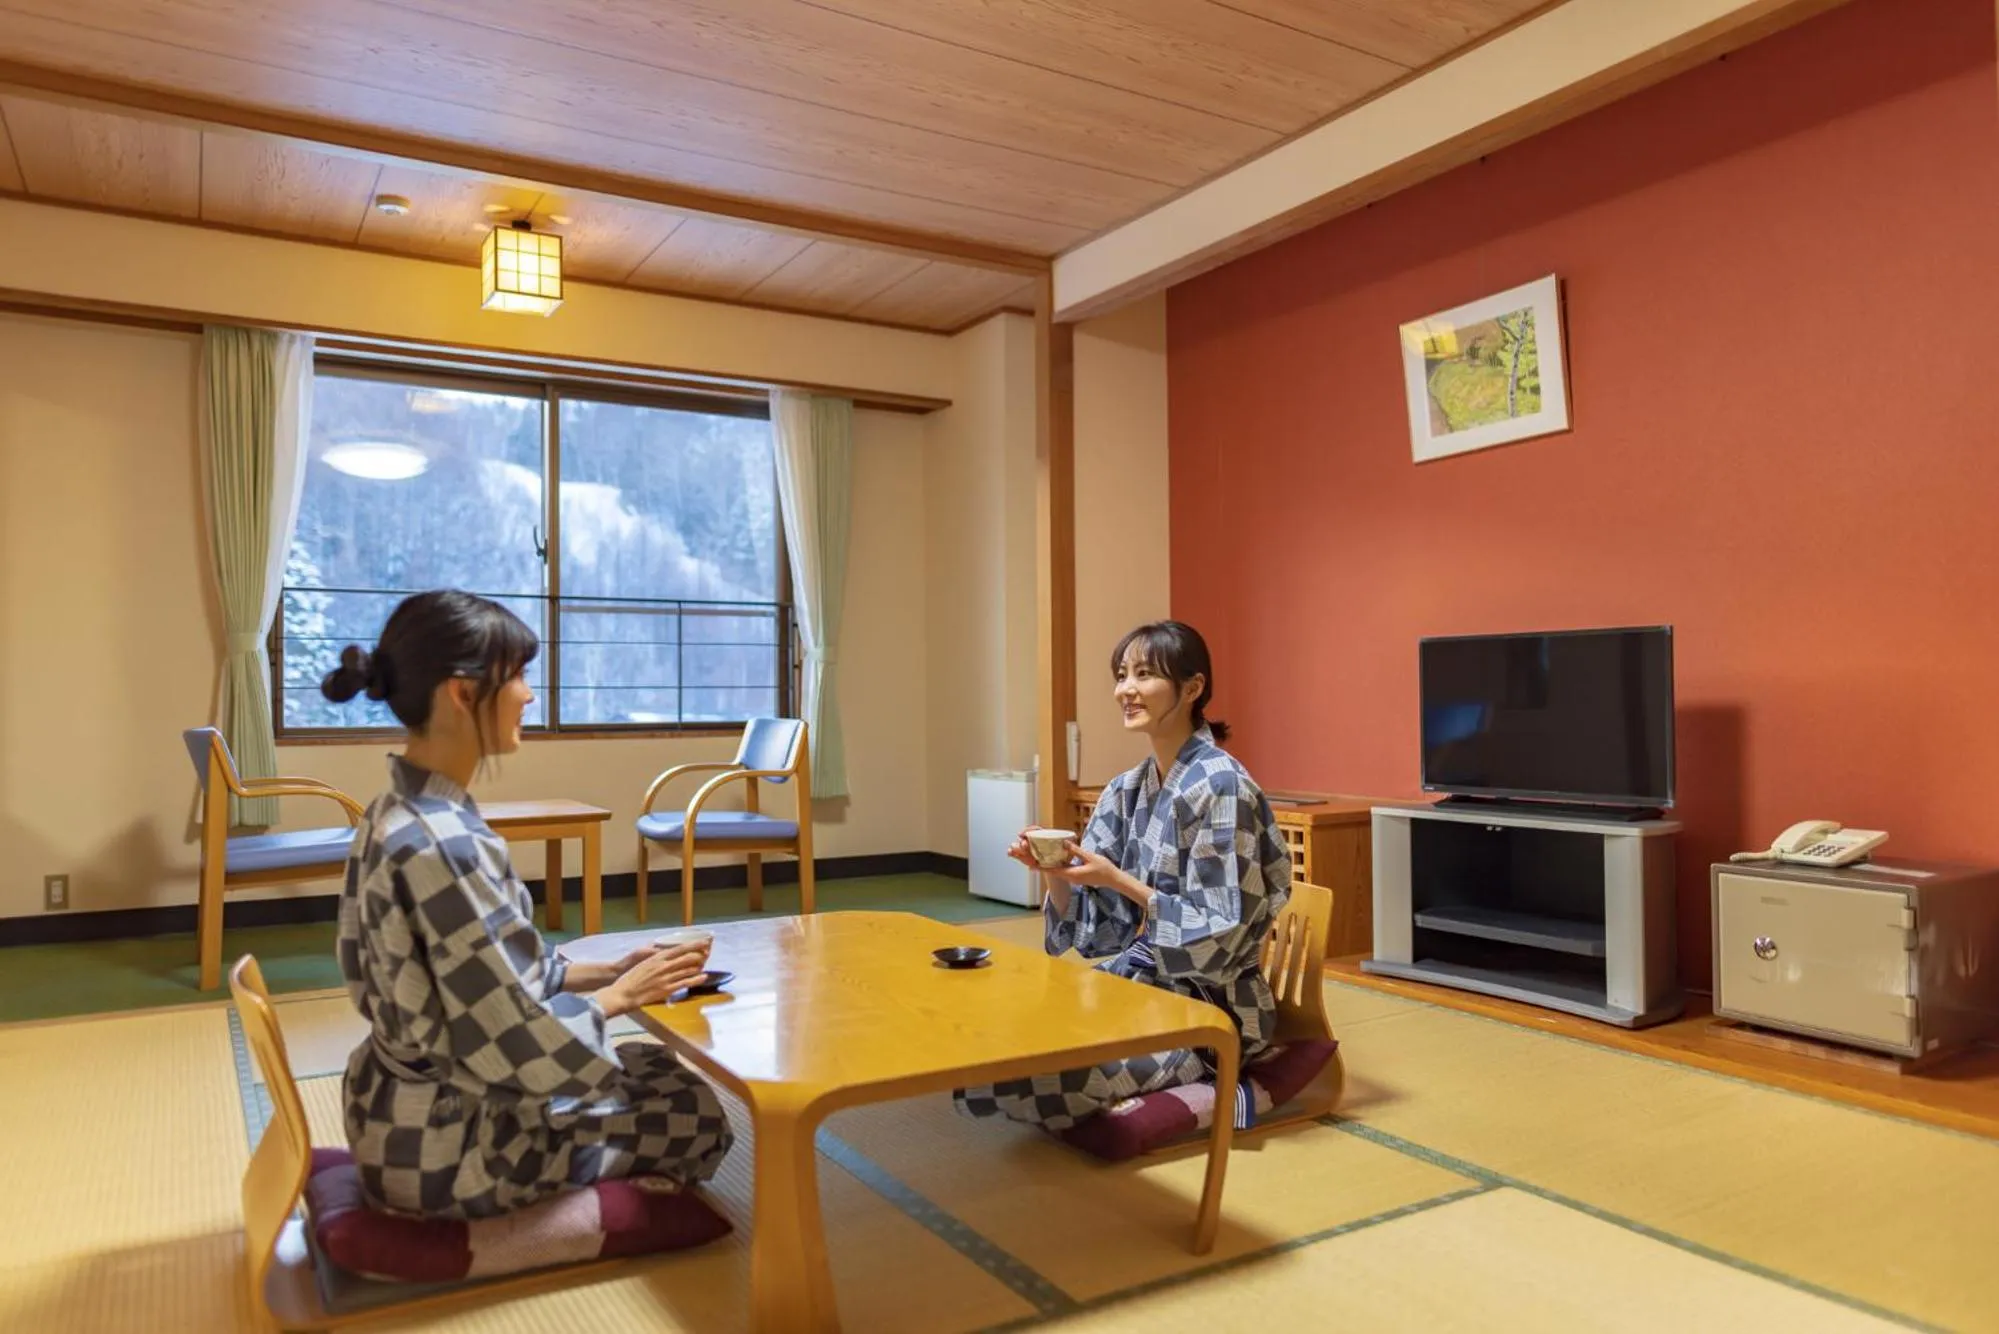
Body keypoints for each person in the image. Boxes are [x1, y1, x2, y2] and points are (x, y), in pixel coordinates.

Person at [323, 589, 733, 1219]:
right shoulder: (443, 844)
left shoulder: (394, 810)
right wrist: (621, 997)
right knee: (697, 1113)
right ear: (463, 693)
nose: (529, 695)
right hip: (450, 1151)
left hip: (391, 1115)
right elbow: (511, 1041)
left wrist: (613, 969)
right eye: (517, 676)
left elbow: (491, 980)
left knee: (650, 1064)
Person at [954, 620, 1313, 1158]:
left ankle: (1195, 1085)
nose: (1126, 689)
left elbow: (1221, 936)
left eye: (1144, 675)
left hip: (1210, 1008)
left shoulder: (1222, 786)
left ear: (1192, 688)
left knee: (1047, 1080)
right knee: (987, 1047)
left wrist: (1117, 879)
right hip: (1140, 987)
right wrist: (1055, 870)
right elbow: (1100, 931)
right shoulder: (1127, 788)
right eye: (1122, 675)